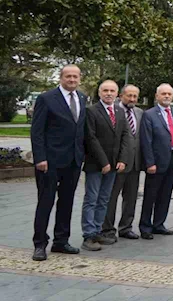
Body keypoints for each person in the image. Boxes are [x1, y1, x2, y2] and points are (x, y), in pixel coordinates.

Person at [31, 65, 87, 261]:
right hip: (50, 161)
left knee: (66, 202)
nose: (72, 80)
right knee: (45, 202)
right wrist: (40, 158)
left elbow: (80, 129)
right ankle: (40, 243)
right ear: (61, 78)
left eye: (75, 76)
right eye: (68, 76)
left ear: (79, 78)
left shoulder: (81, 98)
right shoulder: (46, 98)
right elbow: (37, 131)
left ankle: (61, 241)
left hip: (73, 161)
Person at [81, 80, 132, 251]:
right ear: (99, 93)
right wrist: (104, 162)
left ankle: (97, 231)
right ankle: (88, 235)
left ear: (117, 94)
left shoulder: (119, 111)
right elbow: (91, 138)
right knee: (91, 199)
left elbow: (125, 136)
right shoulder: (91, 111)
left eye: (112, 91)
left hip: (114, 165)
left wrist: (122, 159)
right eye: (105, 90)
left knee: (104, 199)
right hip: (96, 164)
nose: (109, 93)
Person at [139, 83, 173, 239]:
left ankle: (159, 224)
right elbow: (146, 140)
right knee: (150, 195)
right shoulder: (149, 114)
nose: (166, 96)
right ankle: (145, 226)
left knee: (165, 194)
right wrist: (149, 162)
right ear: (157, 96)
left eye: (169, 94)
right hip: (156, 161)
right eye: (163, 93)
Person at [102, 84, 144, 242]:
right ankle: (107, 229)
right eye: (129, 95)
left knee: (131, 197)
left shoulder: (139, 113)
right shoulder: (114, 111)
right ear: (121, 96)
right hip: (118, 163)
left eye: (135, 96)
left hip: (135, 163)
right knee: (111, 198)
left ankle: (126, 227)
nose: (132, 99)